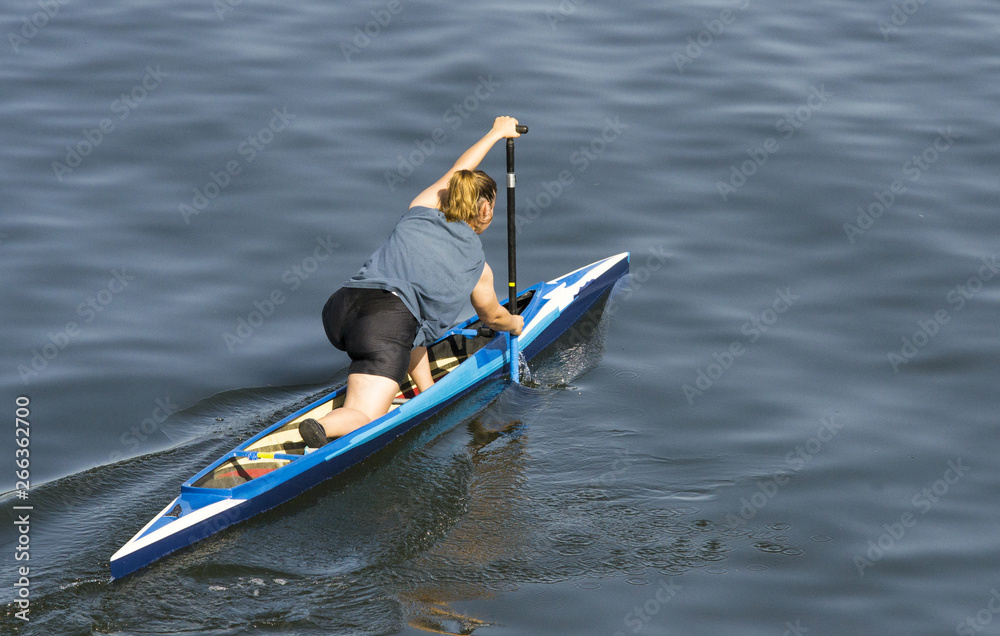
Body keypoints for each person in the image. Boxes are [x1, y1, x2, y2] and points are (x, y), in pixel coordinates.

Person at [298, 116, 525, 448]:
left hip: (342, 306)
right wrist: (515, 324)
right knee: (364, 415)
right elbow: (493, 318)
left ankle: (426, 388)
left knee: (409, 321)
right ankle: (322, 425)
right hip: (383, 326)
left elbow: (458, 170)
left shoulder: (421, 208)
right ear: (487, 210)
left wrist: (495, 133)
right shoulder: (478, 267)